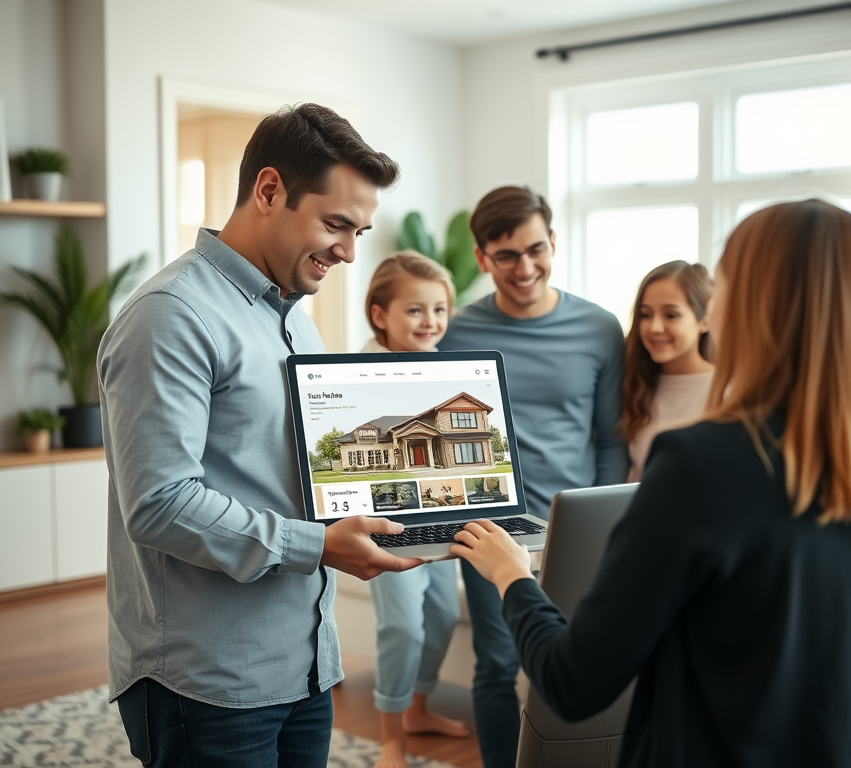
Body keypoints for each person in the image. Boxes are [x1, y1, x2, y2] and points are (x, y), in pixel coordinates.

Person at [452, 199, 851, 768]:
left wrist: (513, 574)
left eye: (724, 284)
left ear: (750, 305)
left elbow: (572, 684)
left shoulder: (702, 462)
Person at [98, 103, 423, 768]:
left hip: (303, 662)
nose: (349, 252)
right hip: (208, 681)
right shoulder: (171, 317)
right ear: (269, 190)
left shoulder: (297, 318)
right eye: (336, 224)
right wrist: (319, 544)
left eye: (360, 231)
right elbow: (161, 503)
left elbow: (292, 469)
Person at [437, 185, 628, 768]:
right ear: (481, 258)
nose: (525, 268)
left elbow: (609, 438)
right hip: (492, 528)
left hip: (574, 530)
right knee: (497, 665)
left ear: (553, 242)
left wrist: (606, 528)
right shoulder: (456, 333)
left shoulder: (599, 328)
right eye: (506, 256)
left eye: (536, 250)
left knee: (580, 663)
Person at [360, 251, 470, 768]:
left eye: (439, 310)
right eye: (415, 311)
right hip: (383, 523)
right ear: (379, 315)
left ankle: (417, 708)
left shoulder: (444, 368)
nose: (430, 322)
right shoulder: (353, 374)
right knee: (402, 626)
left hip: (437, 515)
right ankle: (390, 739)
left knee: (443, 615)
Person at [620, 260, 714, 483]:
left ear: (704, 320)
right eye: (645, 315)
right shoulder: (635, 383)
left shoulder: (726, 391)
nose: (654, 327)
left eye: (671, 315)